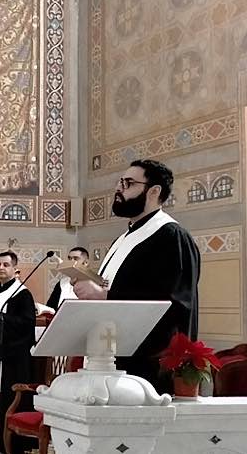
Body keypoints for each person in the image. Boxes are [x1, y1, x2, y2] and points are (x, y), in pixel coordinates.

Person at [74, 159, 200, 394]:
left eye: (128, 183)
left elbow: (174, 304)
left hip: (148, 366)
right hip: (111, 356)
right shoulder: (123, 239)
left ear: (154, 192)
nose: (118, 188)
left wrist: (105, 296)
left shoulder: (172, 237)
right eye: (120, 182)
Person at [0, 251, 36, 452]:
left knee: (9, 396)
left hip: (13, 356)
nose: (1, 268)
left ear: (15, 269)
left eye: (6, 265)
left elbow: (27, 323)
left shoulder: (22, 294)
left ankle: (14, 442)